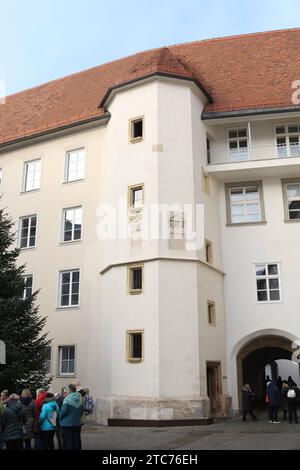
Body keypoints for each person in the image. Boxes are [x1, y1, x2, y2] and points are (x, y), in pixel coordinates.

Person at [60, 384, 83, 450]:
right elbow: (81, 411)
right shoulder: (80, 399)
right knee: (76, 439)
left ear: (70, 390)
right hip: (77, 423)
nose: (66, 391)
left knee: (68, 440)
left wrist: (59, 417)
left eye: (67, 389)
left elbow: (63, 412)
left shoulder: (67, 399)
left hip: (67, 423)